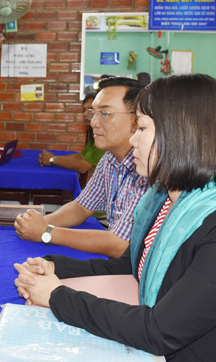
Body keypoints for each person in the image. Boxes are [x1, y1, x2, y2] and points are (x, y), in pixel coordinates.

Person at [14, 74, 216, 362]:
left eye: (141, 128)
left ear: (181, 134)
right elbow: (134, 267)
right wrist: (56, 268)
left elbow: (159, 331)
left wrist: (57, 296)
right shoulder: (166, 199)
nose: (133, 139)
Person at [15, 78, 148, 258]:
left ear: (136, 120)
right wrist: (40, 223)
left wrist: (46, 232)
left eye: (106, 113)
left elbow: (120, 245)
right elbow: (81, 207)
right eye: (93, 113)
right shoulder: (109, 159)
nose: (94, 122)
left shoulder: (147, 167)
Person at [38, 92, 106, 174]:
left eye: (90, 109)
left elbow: (82, 167)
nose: (85, 114)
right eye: (84, 110)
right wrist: (53, 158)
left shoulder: (104, 135)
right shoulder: (96, 132)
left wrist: (52, 160)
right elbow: (80, 156)